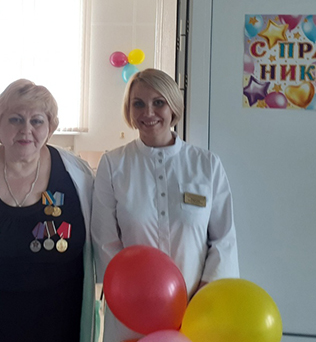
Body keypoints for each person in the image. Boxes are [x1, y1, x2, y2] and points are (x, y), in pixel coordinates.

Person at [0, 79, 98, 342]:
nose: (26, 130)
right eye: (15, 119)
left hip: (58, 328)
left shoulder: (78, 175)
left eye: (37, 121)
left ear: (50, 127)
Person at [91, 68, 239, 342]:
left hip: (195, 307)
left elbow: (224, 238)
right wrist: (132, 294)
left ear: (173, 107)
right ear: (129, 110)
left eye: (158, 102)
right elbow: (105, 241)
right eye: (138, 103)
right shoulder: (113, 165)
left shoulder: (206, 165)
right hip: (132, 309)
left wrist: (204, 292)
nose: (148, 112)